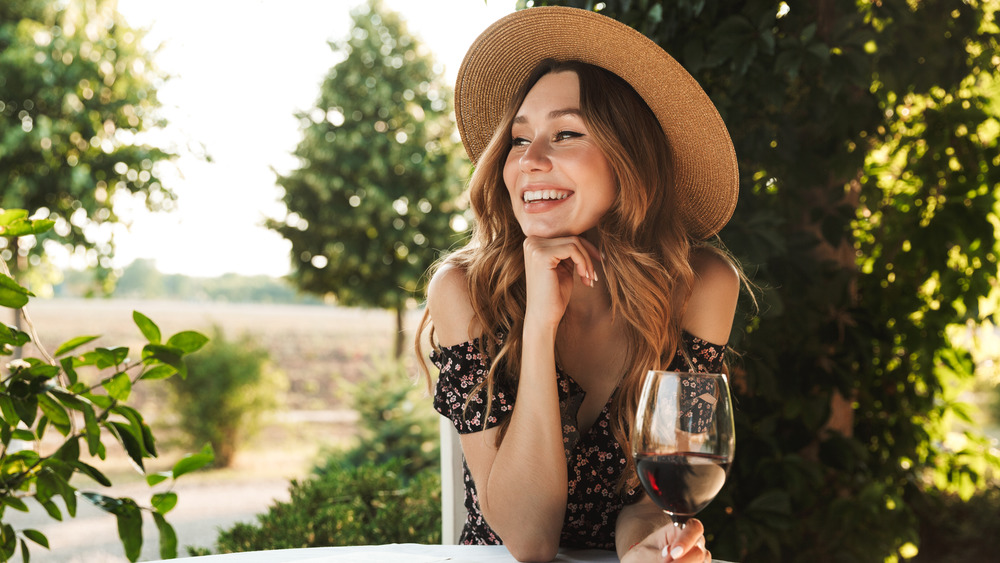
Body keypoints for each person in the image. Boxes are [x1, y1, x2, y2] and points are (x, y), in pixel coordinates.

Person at [416, 6, 742, 563]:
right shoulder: (466, 290)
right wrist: (540, 325)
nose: (530, 162)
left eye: (565, 134)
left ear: (629, 158)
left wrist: (651, 546)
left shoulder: (700, 285)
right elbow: (529, 539)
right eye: (519, 141)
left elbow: (650, 496)